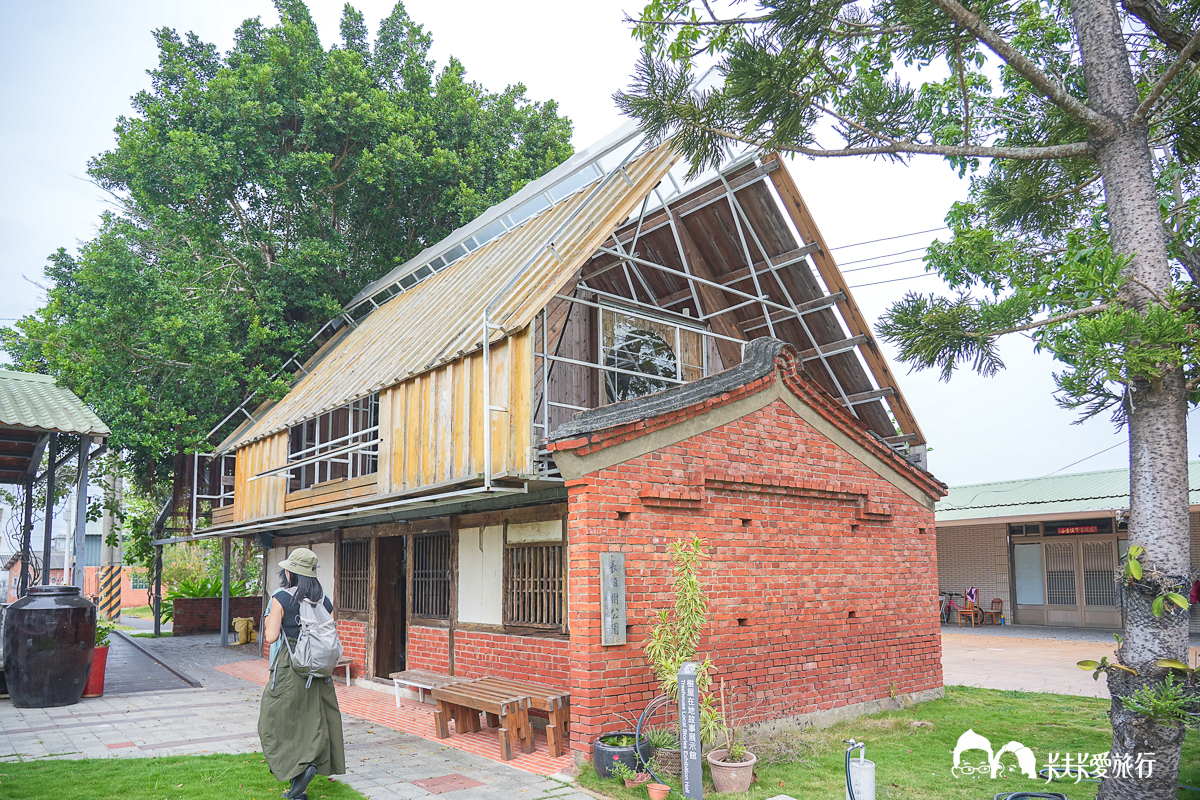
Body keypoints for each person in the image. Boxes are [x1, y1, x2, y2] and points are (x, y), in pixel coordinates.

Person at [259, 548, 345, 799]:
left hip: (292, 665)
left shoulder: (281, 598)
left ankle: (299, 769)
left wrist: (269, 621)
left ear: (289, 571)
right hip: (318, 669)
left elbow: (271, 636)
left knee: (275, 720)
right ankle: (300, 788)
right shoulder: (323, 599)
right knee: (313, 722)